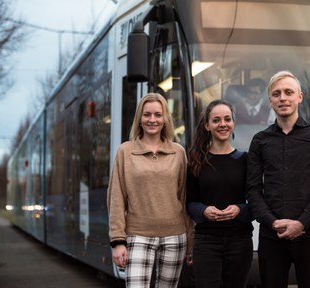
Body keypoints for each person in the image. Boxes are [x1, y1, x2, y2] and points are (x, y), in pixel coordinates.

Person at [246, 71, 310, 288]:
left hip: (309, 235)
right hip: (271, 237)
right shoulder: (260, 140)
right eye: (276, 94)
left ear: (300, 97)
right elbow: (253, 190)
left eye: (288, 92)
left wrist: (301, 223)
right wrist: (272, 222)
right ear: (270, 101)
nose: (282, 98)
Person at [107, 93, 193, 288]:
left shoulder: (178, 152)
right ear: (140, 118)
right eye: (147, 115)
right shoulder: (125, 151)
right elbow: (116, 198)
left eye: (157, 115)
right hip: (137, 235)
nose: (152, 120)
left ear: (165, 119)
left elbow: (185, 197)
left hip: (174, 237)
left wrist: (191, 242)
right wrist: (117, 241)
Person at [186, 99, 254, 288]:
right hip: (206, 242)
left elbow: (257, 203)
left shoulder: (246, 160)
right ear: (207, 125)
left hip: (240, 241)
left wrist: (240, 210)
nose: (222, 124)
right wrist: (203, 210)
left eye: (227, 119)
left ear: (233, 123)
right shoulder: (196, 161)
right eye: (216, 120)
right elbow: (189, 202)